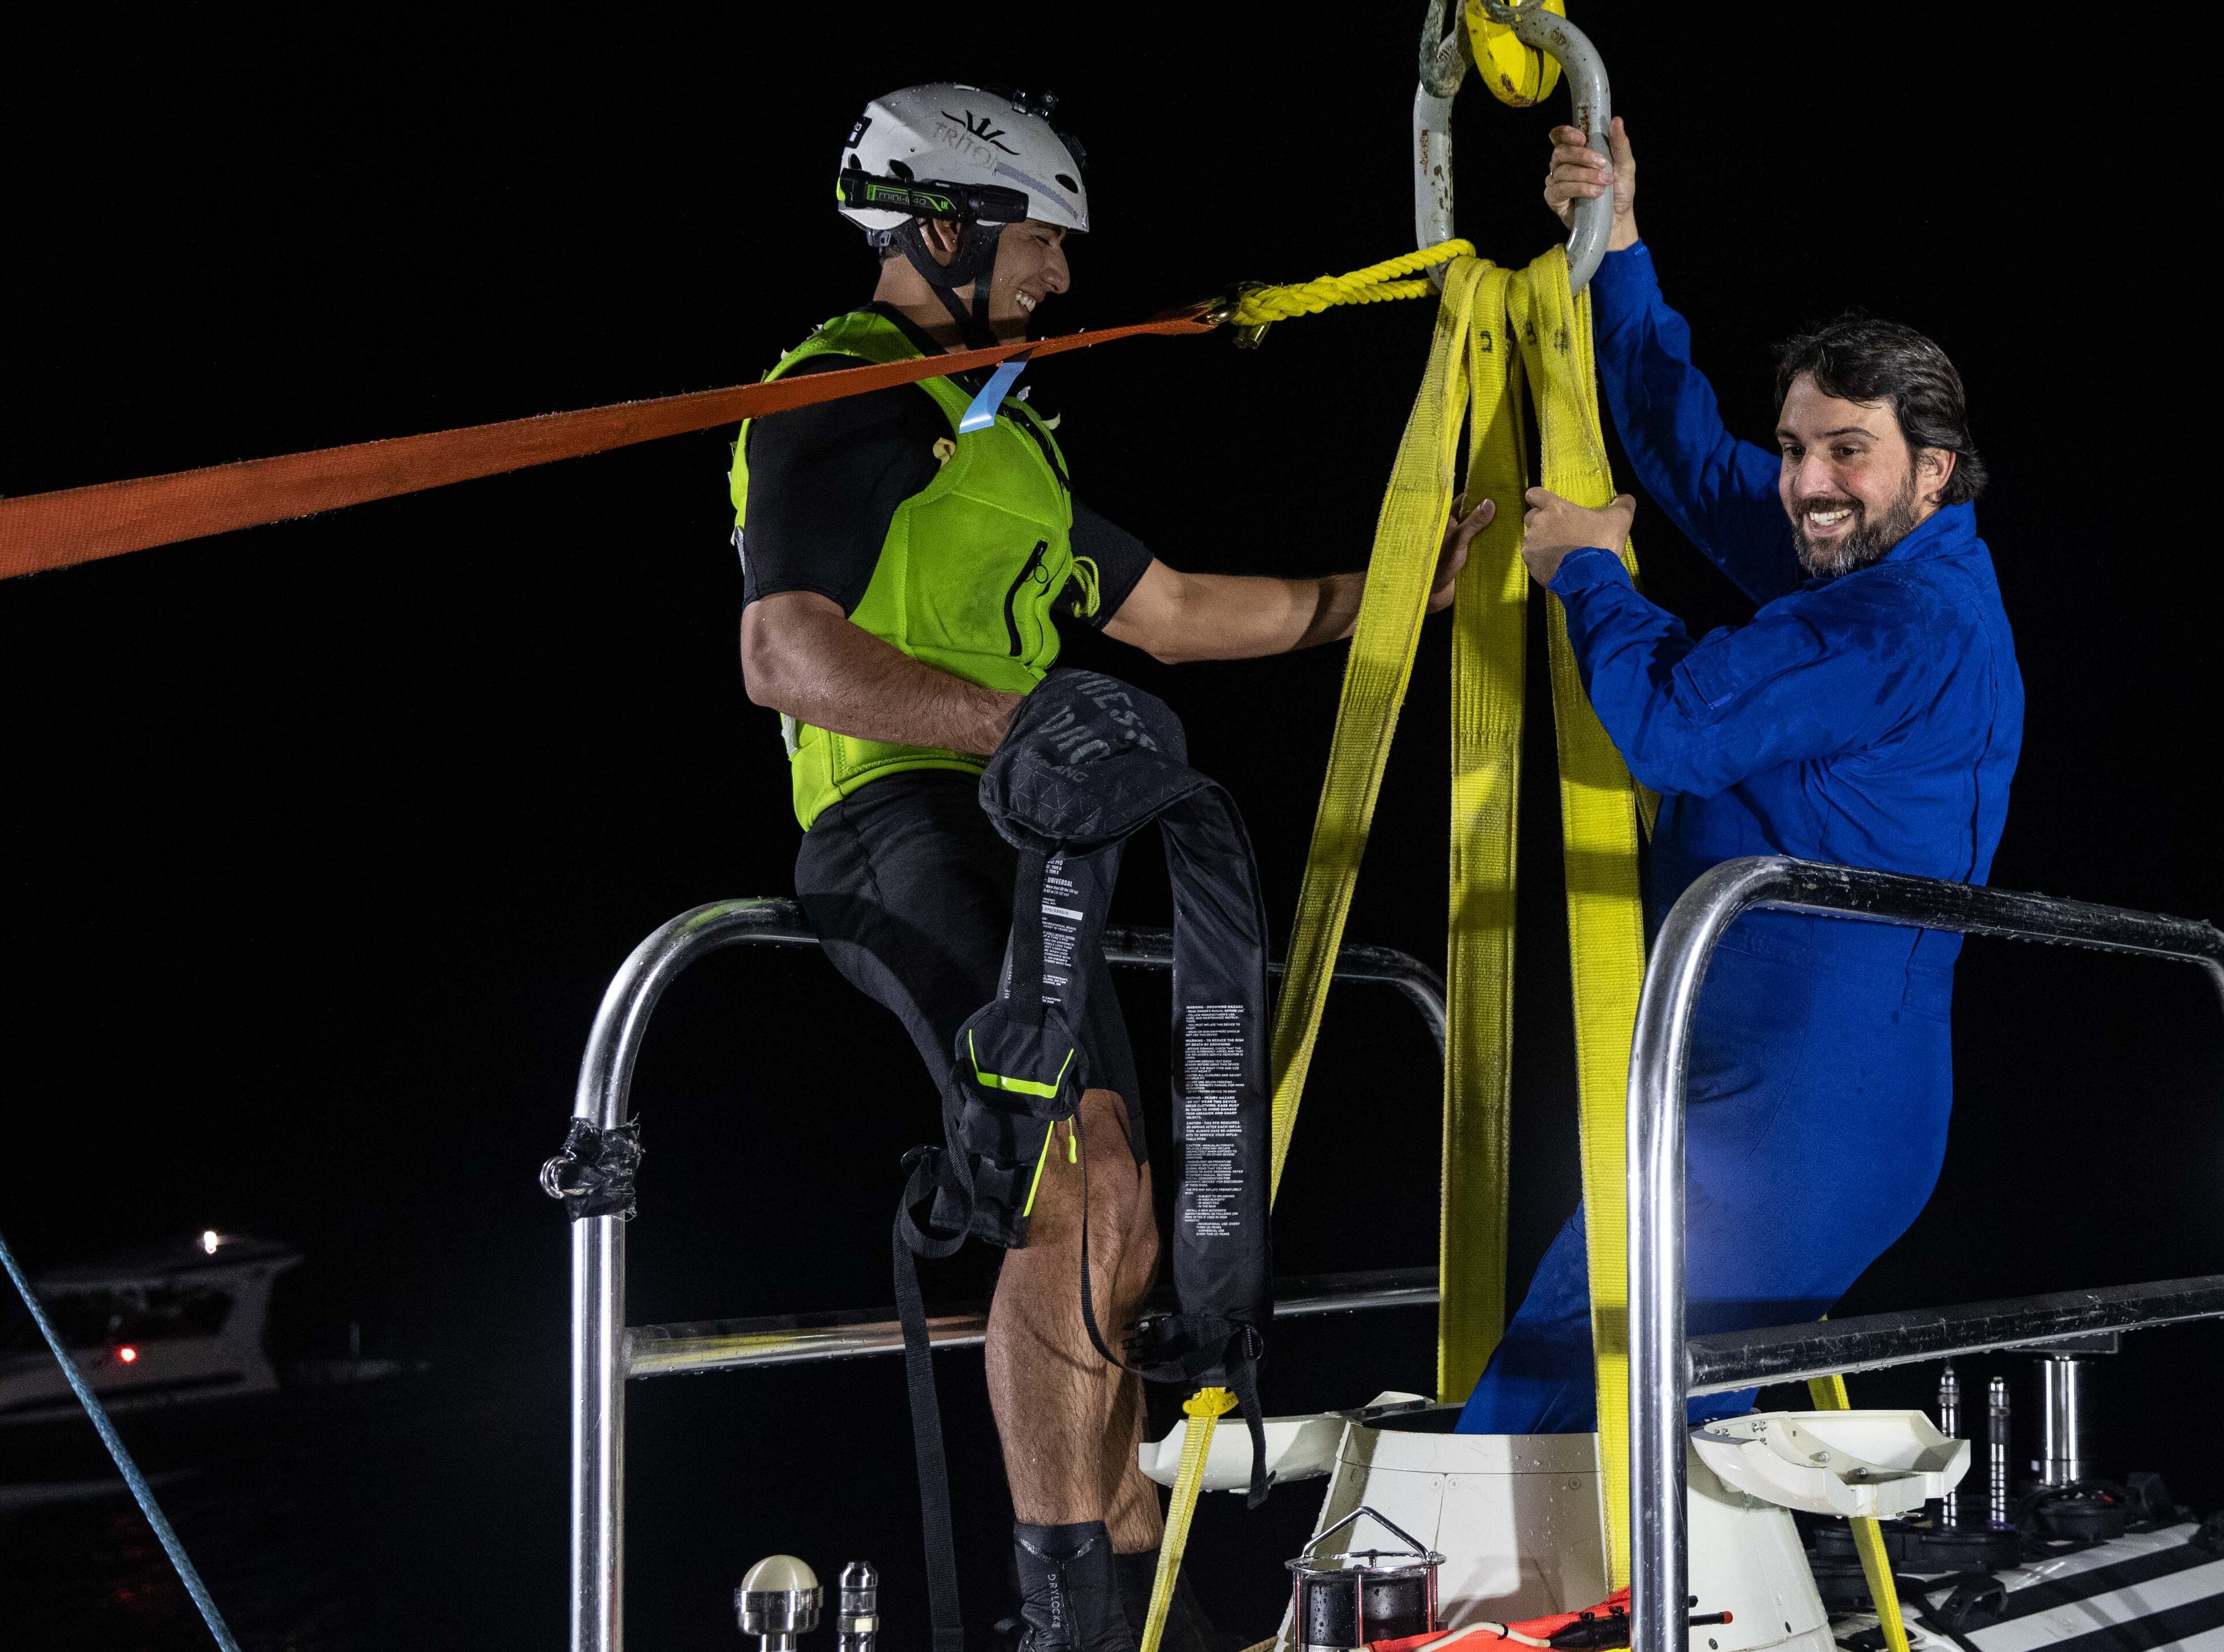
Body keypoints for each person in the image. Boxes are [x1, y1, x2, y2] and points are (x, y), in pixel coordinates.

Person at [730, 82, 1491, 1651]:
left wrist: (1412, 584)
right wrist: (1025, 720)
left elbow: (1185, 612)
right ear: (943, 226)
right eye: (1041, 244)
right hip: (899, 819)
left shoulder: (999, 435)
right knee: (1072, 1183)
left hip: (1035, 838)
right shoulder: (842, 396)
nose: (1062, 279)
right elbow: (783, 651)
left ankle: (1145, 1594)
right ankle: (1066, 1610)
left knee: (1128, 1216)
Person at [1461, 117, 2025, 1433]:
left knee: (1548, 1406)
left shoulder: (1889, 623)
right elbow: (1686, 451)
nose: (1806, 483)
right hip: (1780, 1094)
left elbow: (1665, 727)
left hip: (1796, 1116)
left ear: (1931, 470)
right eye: (1797, 445)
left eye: (1846, 452)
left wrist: (1588, 571)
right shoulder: (1870, 556)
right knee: (1656, 1431)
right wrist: (1618, 240)